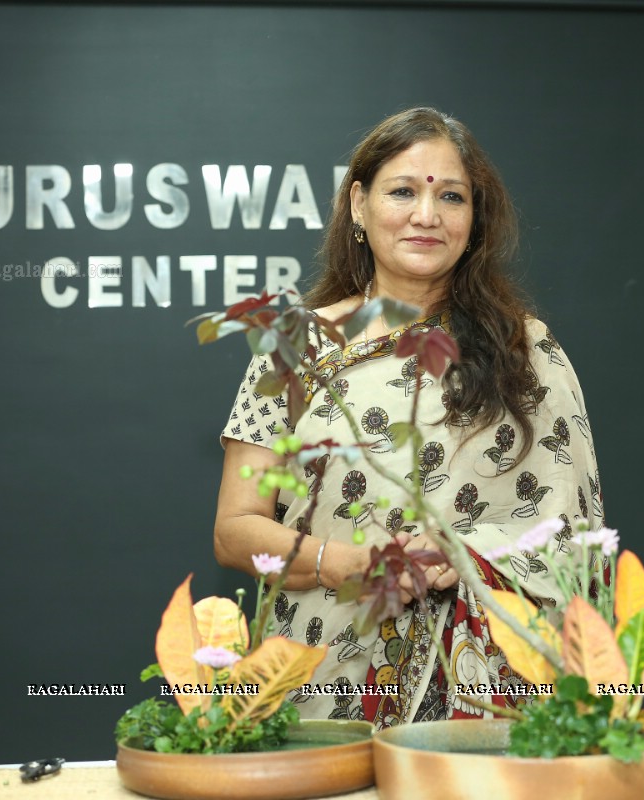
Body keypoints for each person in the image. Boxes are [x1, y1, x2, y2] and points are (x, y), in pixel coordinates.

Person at [214, 107, 604, 727]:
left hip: (494, 687)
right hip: (324, 673)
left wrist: (464, 558)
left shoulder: (523, 349)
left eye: (451, 197)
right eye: (403, 192)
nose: (427, 216)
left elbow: (572, 535)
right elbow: (235, 530)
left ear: (473, 221)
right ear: (358, 205)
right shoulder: (296, 345)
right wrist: (357, 565)